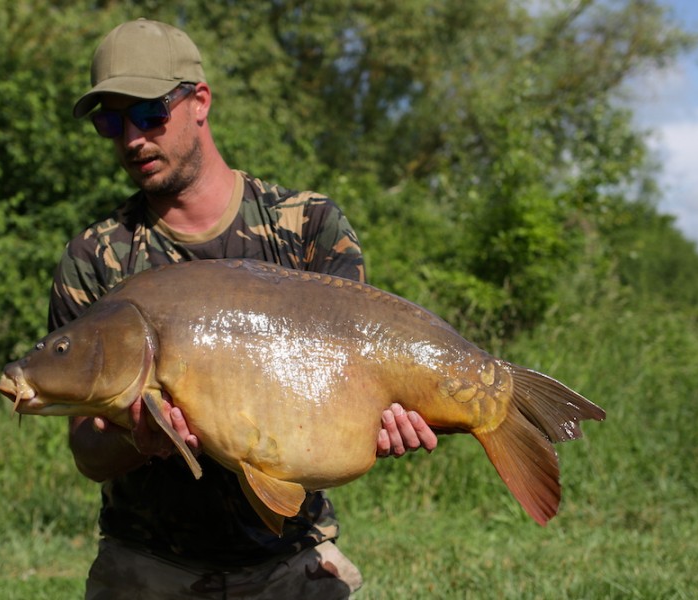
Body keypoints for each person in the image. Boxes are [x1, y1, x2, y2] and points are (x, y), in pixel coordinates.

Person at [51, 18, 438, 599]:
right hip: (147, 564)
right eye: (111, 120)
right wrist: (136, 440)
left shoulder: (308, 226)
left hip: (293, 559)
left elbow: (358, 388)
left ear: (199, 101)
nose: (132, 137)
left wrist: (392, 418)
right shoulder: (96, 258)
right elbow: (86, 449)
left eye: (149, 113)